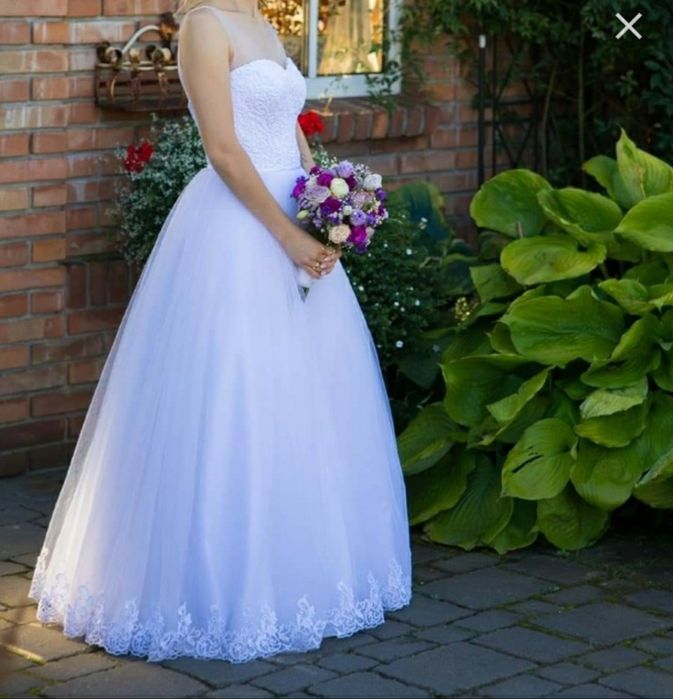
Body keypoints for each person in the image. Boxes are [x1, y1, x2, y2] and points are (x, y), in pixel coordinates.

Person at [28, 0, 412, 663]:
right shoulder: (205, 24)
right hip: (239, 227)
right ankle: (217, 585)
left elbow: (290, 127)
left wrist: (326, 200)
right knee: (236, 388)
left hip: (293, 210)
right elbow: (224, 151)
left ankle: (308, 566)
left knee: (309, 396)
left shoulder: (264, 21)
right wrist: (288, 235)